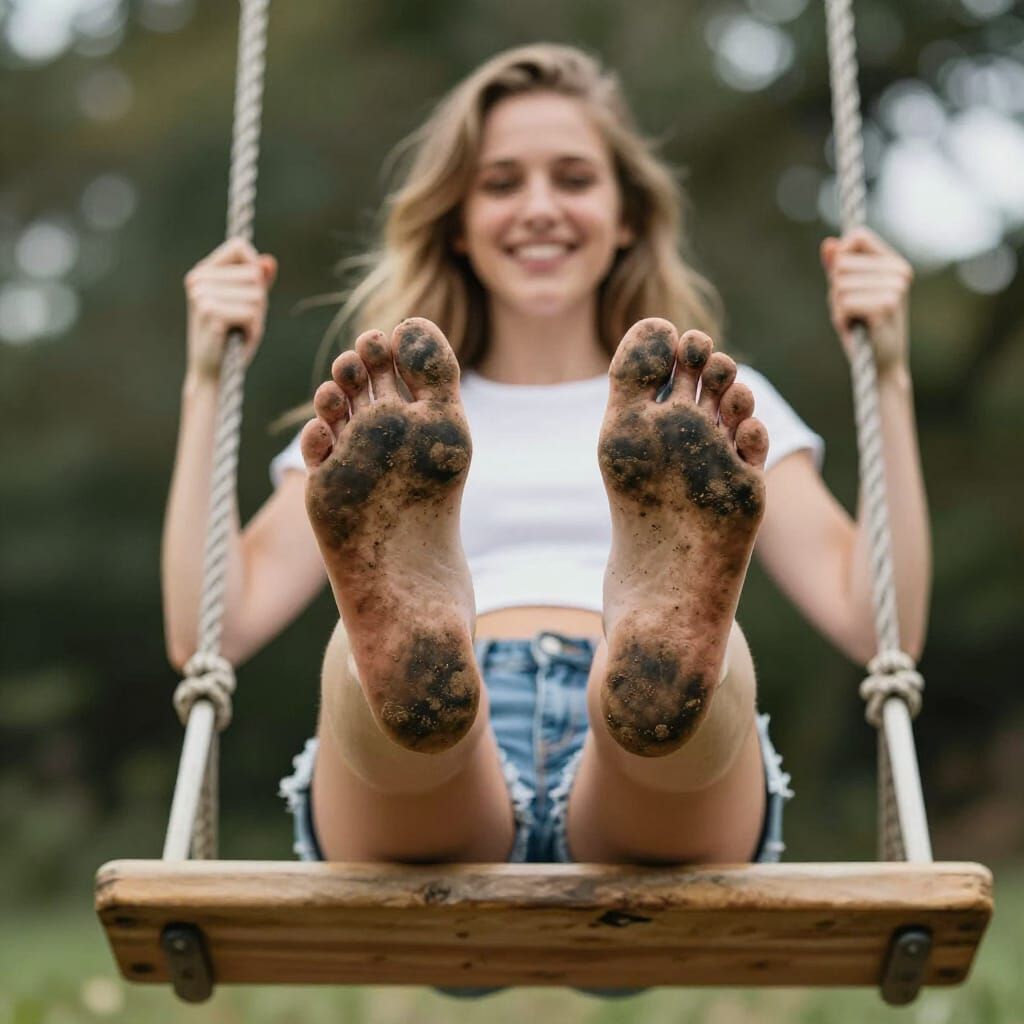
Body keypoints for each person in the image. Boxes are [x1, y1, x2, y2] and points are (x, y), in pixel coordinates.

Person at [164, 45, 929, 879]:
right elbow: (211, 627)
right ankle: (423, 654)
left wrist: (888, 372)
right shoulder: (394, 412)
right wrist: (206, 379)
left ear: (627, 213)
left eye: (573, 178)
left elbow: (880, 622)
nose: (538, 208)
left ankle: (655, 649)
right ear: (457, 220)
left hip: (641, 758)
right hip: (450, 740)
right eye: (500, 183)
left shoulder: (699, 410)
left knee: (703, 678)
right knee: (367, 676)